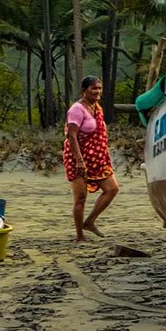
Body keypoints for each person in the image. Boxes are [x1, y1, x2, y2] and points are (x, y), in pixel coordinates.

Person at [63, 76, 119, 242]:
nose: (97, 91)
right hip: (77, 157)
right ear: (84, 90)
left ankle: (90, 222)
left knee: (112, 189)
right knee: (81, 198)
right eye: (94, 88)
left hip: (97, 158)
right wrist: (80, 160)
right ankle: (80, 236)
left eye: (99, 88)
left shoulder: (96, 107)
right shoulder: (76, 109)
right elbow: (71, 136)